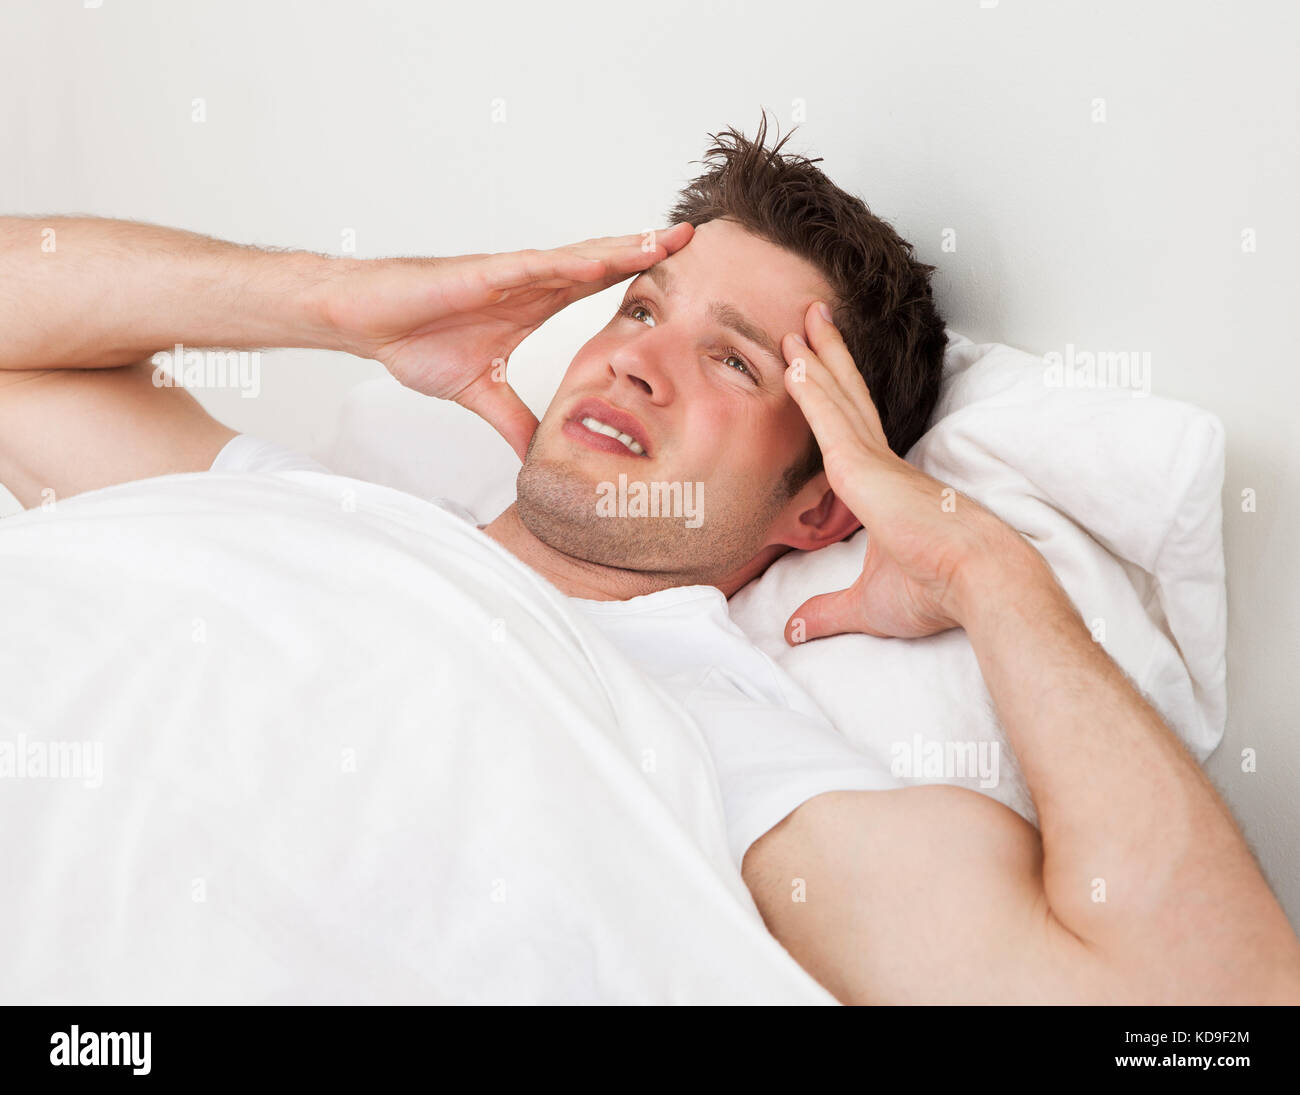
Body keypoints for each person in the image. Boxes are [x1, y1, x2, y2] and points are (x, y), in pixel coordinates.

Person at [2, 119, 1298, 1005]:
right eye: (637, 308)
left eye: (733, 360)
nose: (635, 358)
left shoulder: (724, 755)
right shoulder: (309, 520)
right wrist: (338, 308)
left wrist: (984, 569)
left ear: (819, 511)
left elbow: (1200, 1021)